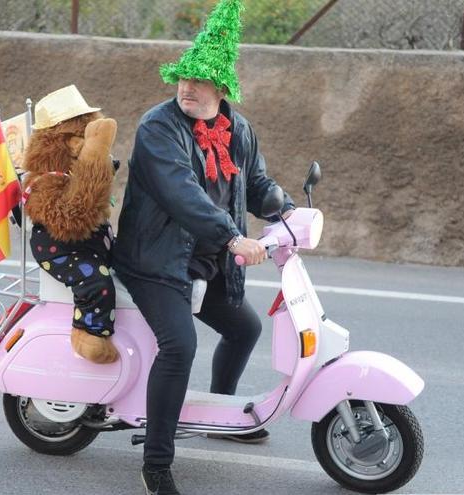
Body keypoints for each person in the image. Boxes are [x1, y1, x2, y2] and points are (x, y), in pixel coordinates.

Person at [111, 1, 295, 493]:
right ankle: (156, 466)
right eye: (182, 79)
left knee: (245, 328)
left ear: (222, 88)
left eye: (199, 81)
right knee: (179, 346)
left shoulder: (239, 131)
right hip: (156, 260)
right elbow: (182, 194)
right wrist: (235, 238)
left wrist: (290, 211)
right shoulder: (158, 128)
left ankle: (222, 414)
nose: (187, 88)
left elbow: (257, 185)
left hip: (206, 260)